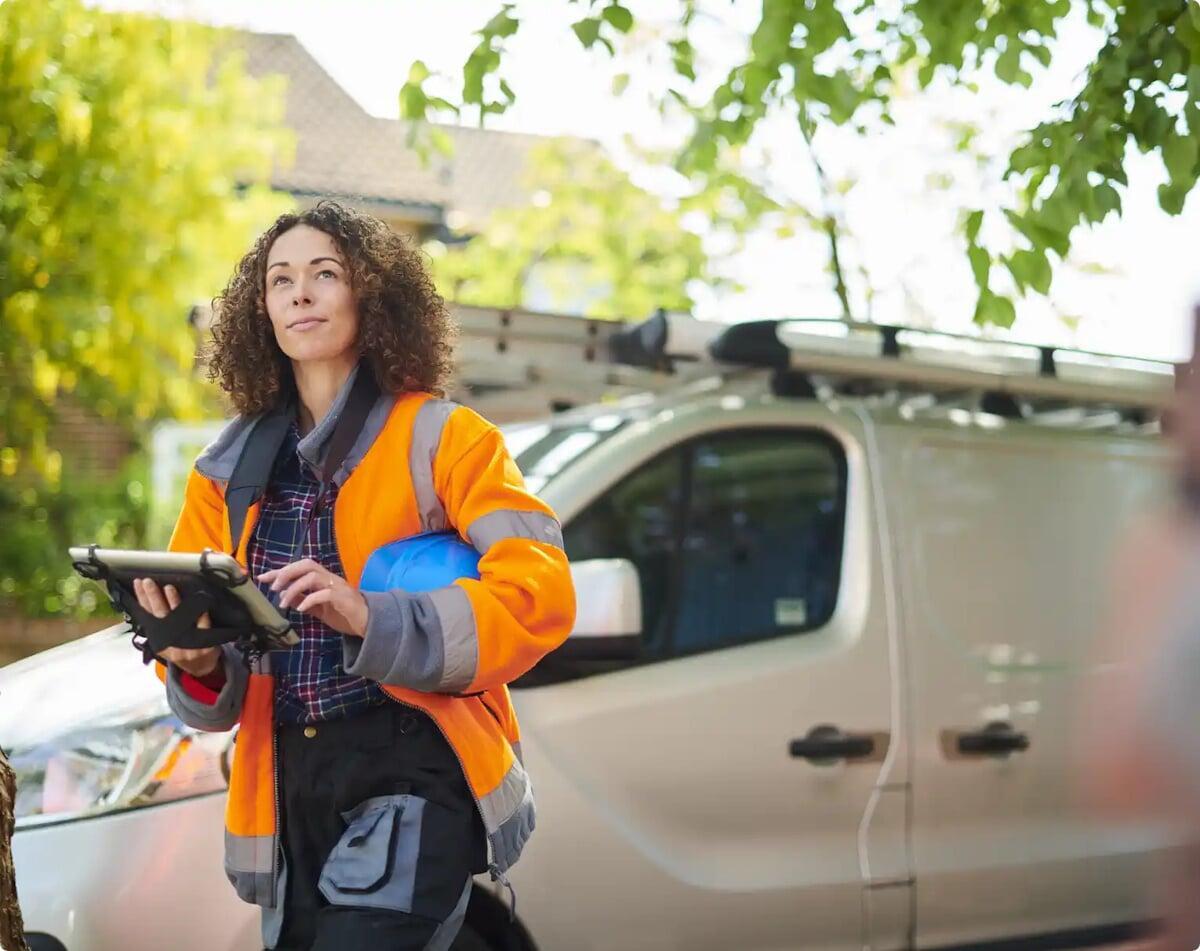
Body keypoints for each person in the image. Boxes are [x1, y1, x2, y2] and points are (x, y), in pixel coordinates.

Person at [131, 200, 576, 950]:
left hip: (414, 763)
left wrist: (371, 616)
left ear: (370, 296)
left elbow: (540, 594)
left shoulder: (449, 439)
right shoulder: (222, 476)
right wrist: (197, 660)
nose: (299, 293)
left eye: (324, 273)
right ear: (261, 311)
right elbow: (214, 698)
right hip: (288, 775)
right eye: (280, 280)